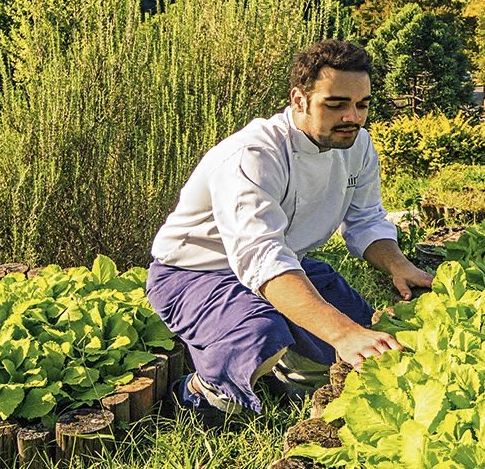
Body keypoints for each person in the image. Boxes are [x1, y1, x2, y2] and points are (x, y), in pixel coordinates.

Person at [145, 39, 433, 421]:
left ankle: (288, 375)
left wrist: (397, 264)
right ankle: (200, 395)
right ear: (299, 100)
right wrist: (342, 334)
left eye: (362, 104)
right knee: (261, 333)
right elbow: (261, 258)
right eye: (336, 104)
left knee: (366, 339)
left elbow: (365, 220)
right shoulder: (254, 155)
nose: (353, 117)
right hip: (197, 274)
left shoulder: (358, 145)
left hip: (289, 263)